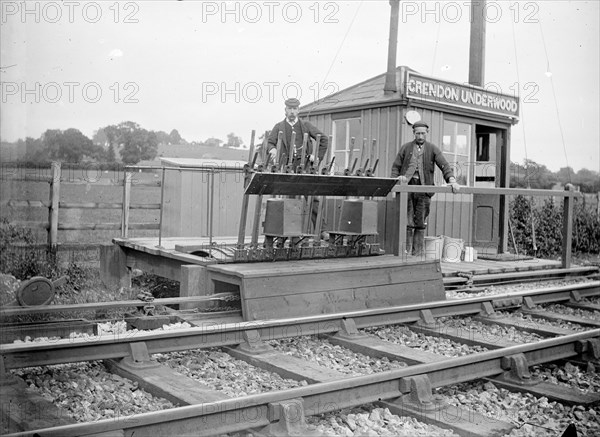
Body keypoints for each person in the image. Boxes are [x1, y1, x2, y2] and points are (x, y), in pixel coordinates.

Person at [391, 120, 460, 256]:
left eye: (423, 133)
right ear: (414, 133)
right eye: (418, 133)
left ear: (427, 133)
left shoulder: (433, 149)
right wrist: (395, 182)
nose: (420, 136)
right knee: (408, 221)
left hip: (424, 190)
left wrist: (451, 180)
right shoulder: (405, 148)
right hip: (407, 189)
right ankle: (405, 253)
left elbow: (444, 166)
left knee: (420, 222)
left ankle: (418, 254)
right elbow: (396, 167)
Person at [267, 98, 328, 168]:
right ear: (285, 110)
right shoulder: (278, 126)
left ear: (298, 110)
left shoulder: (306, 125)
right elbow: (270, 142)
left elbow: (324, 139)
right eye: (289, 108)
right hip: (284, 165)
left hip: (304, 166)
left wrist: (317, 157)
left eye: (295, 109)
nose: (292, 111)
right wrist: (272, 149)